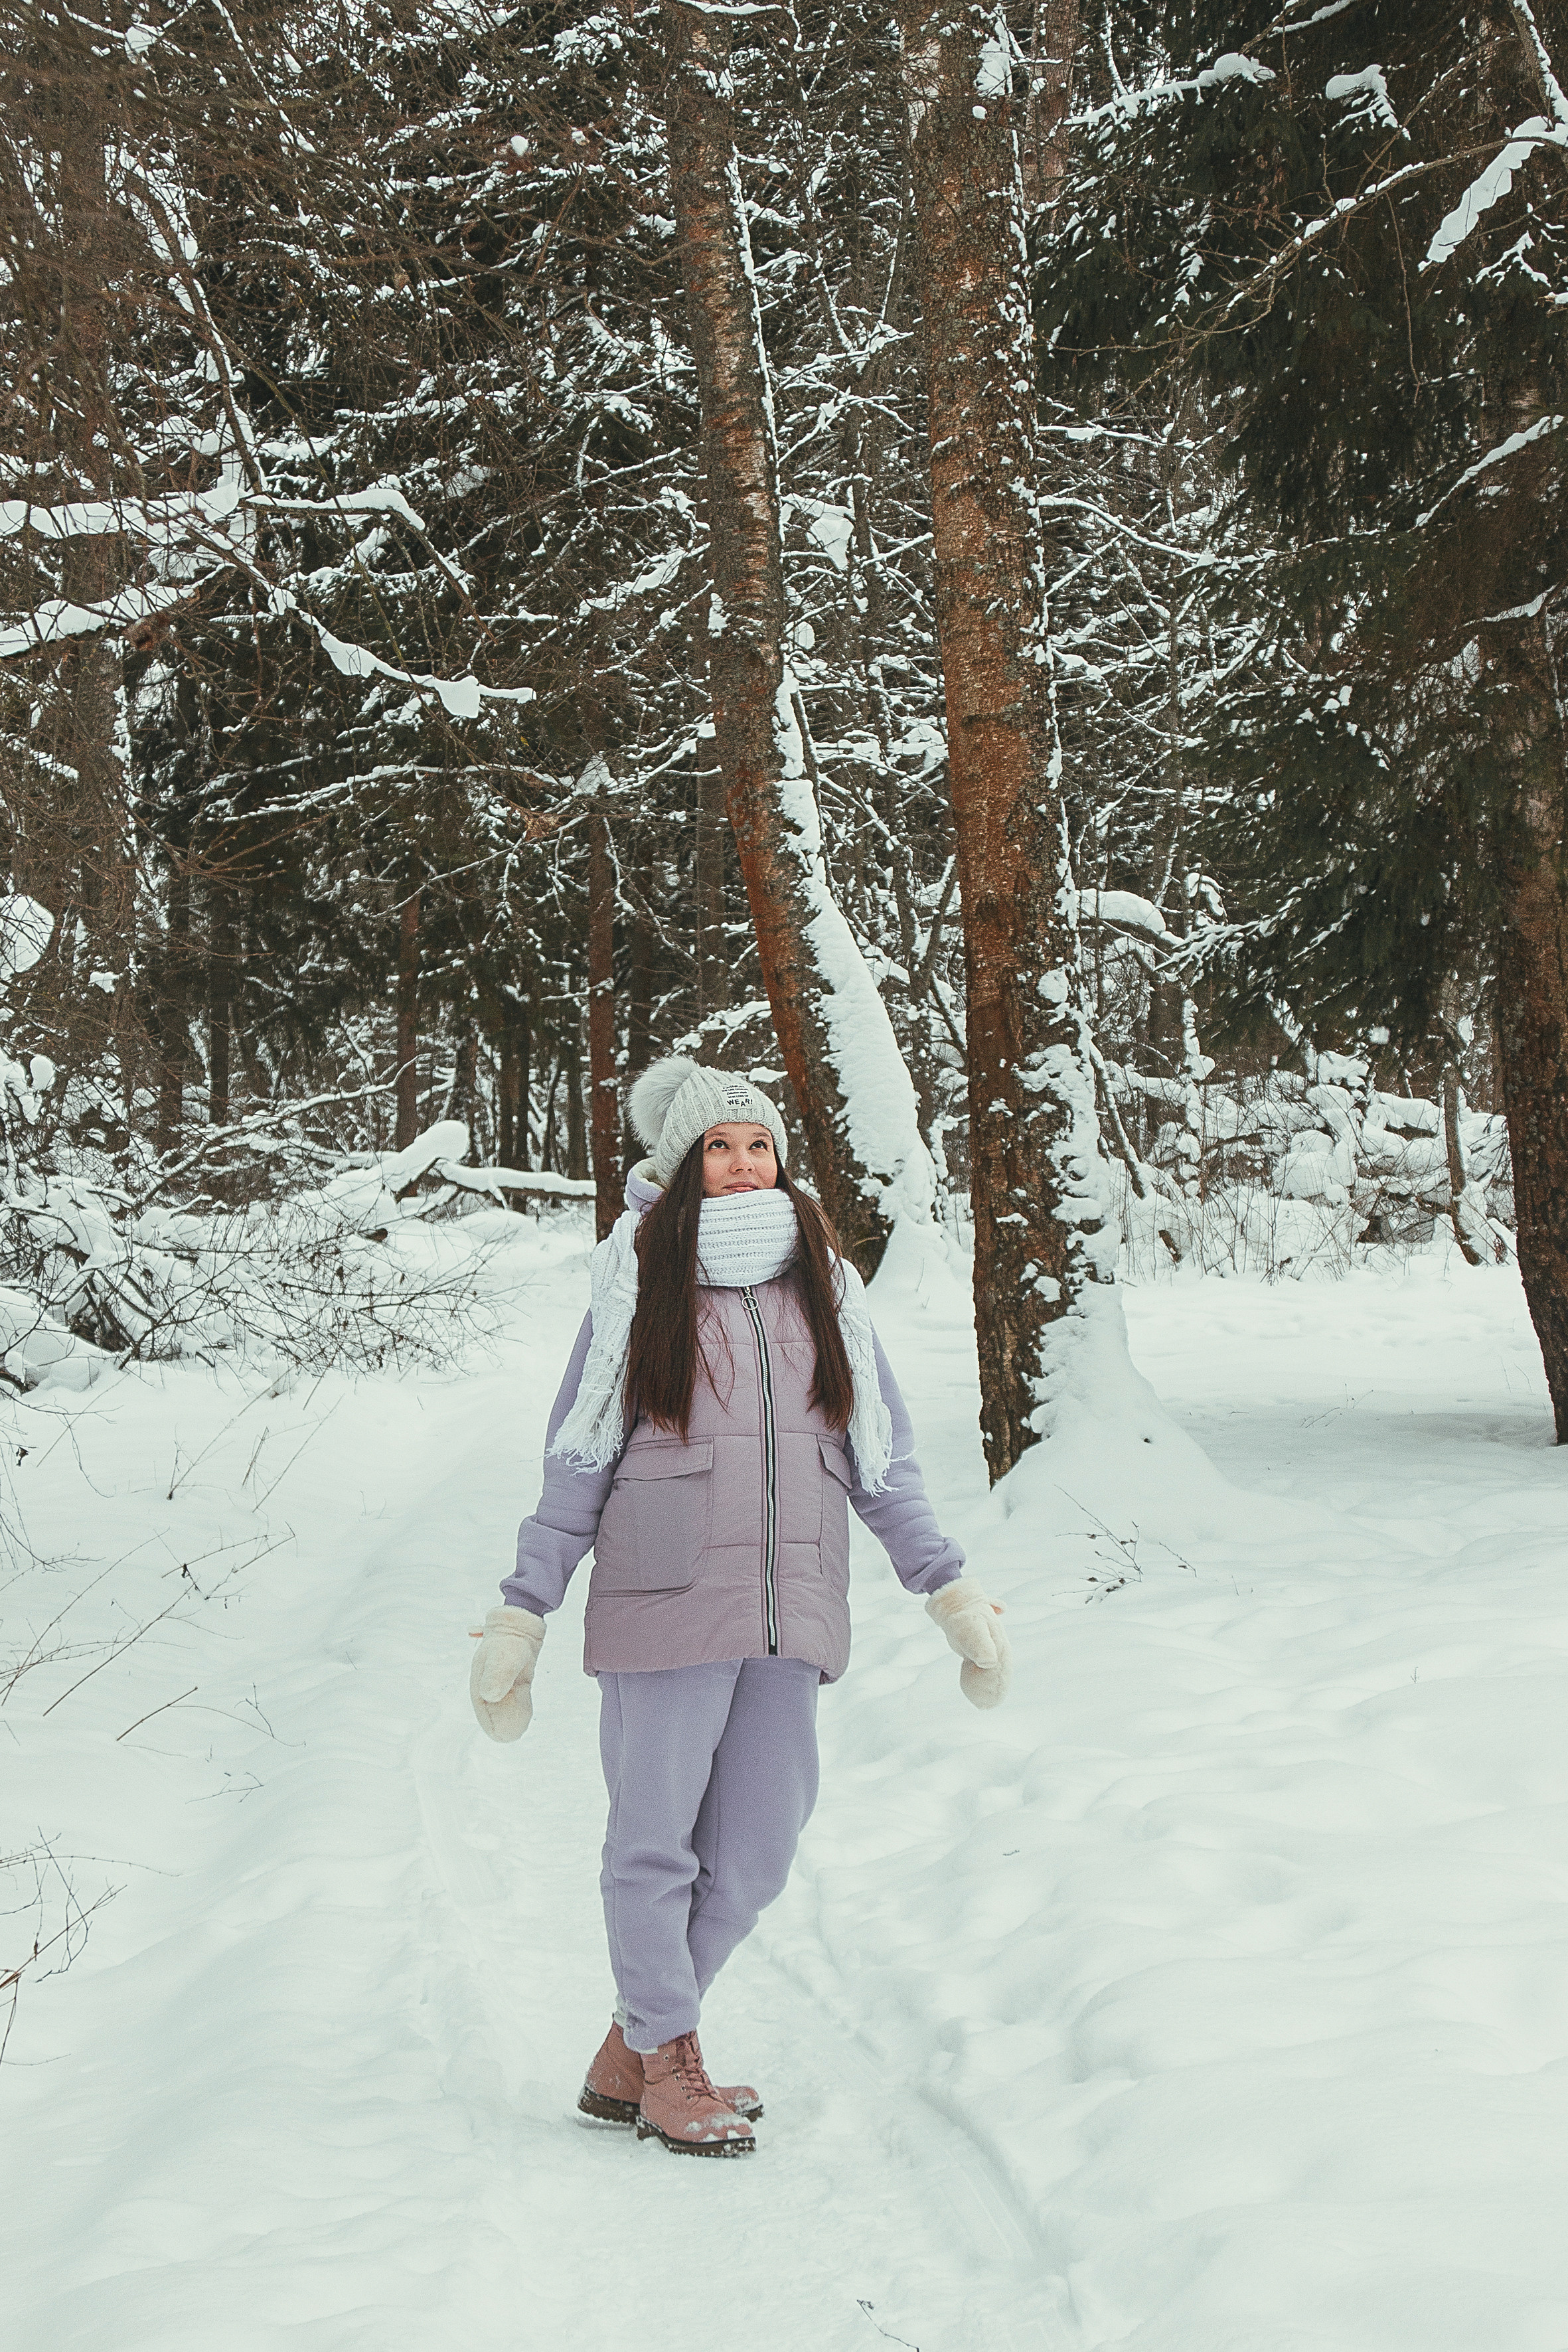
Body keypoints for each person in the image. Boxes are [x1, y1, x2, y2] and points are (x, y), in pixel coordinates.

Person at [467, 1055, 1010, 2158]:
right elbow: (577, 1456)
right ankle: (668, 2058)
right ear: (681, 1166)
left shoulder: (826, 1287)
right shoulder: (633, 1285)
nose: (743, 1161)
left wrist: (945, 1586)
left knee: (757, 1850)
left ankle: (632, 2049)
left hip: (791, 1601)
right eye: (718, 1146)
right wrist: (525, 1610)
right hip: (663, 1593)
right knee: (653, 1844)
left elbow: (879, 1457)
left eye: (757, 1142)